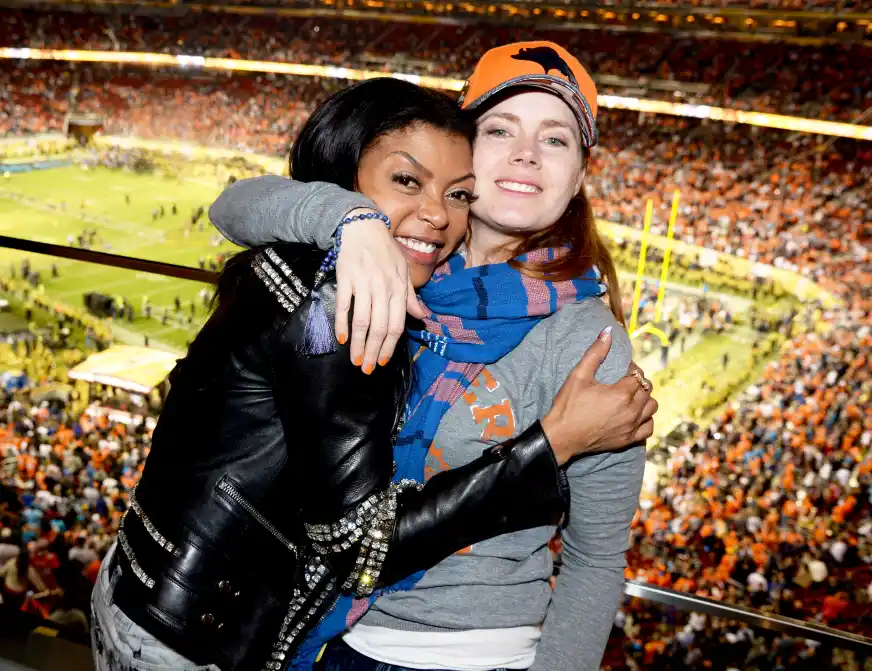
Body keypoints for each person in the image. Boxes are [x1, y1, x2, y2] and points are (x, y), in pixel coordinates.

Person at [92, 78, 653, 671]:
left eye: (556, 140)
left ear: (580, 176)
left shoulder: (590, 344)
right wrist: (351, 220)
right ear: (466, 148)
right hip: (309, 633)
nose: (526, 154)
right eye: (500, 130)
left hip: (466, 652)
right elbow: (236, 204)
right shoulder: (397, 265)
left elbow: (595, 558)